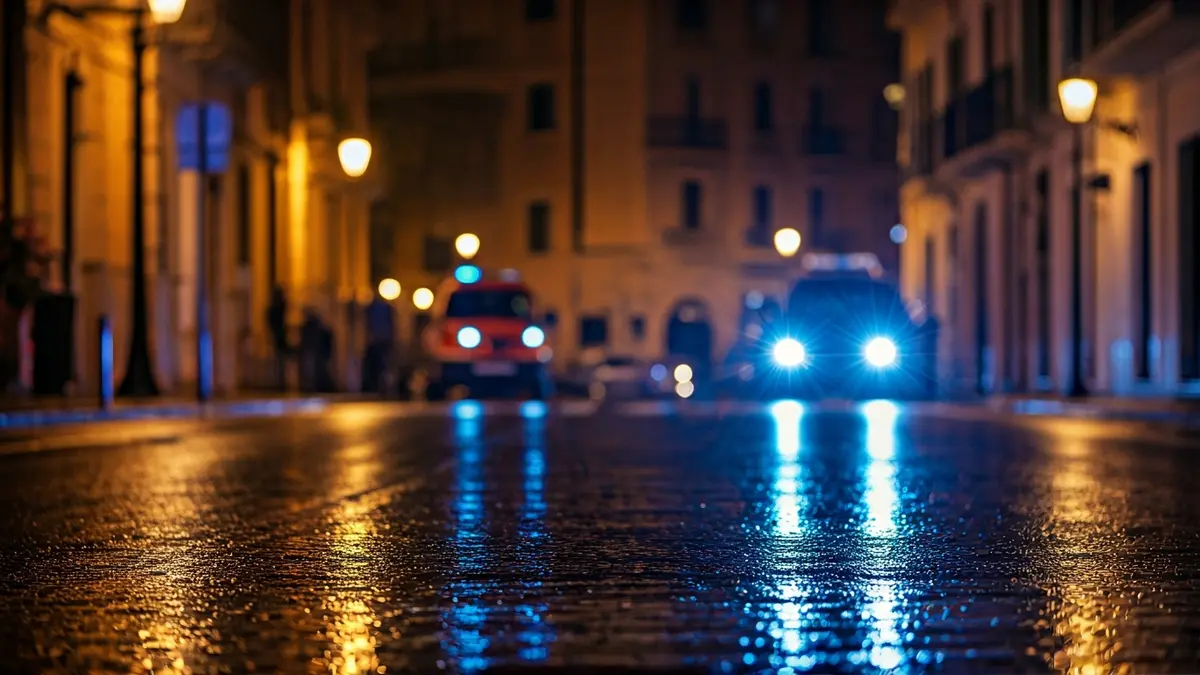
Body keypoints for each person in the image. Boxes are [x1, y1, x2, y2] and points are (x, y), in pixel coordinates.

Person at [363, 296, 396, 395]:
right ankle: (378, 388)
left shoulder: (382, 307)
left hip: (381, 341)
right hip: (378, 341)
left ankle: (382, 388)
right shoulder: (373, 307)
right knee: (379, 366)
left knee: (383, 366)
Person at [267, 287, 288, 391]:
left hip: (278, 337)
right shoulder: (276, 309)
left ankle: (280, 382)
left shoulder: (274, 309)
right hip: (278, 337)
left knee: (280, 361)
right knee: (279, 361)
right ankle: (279, 382)